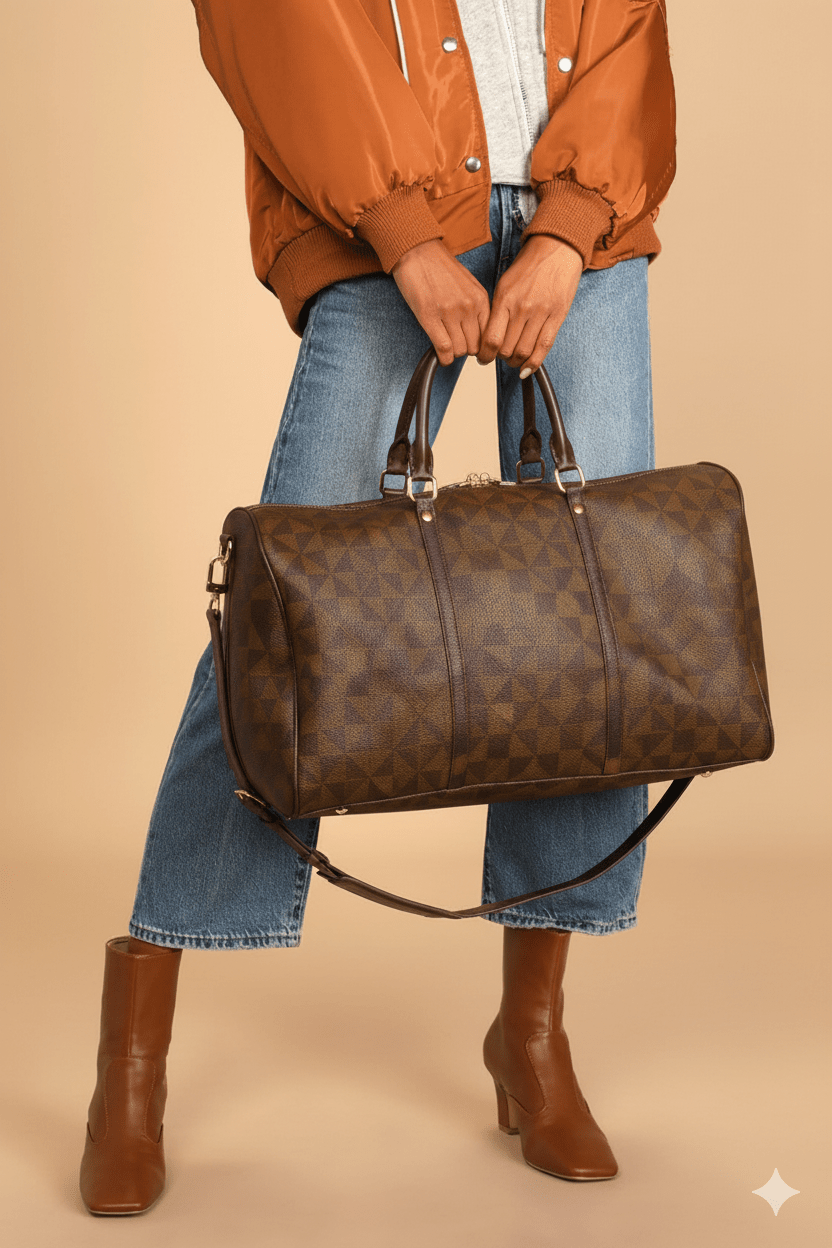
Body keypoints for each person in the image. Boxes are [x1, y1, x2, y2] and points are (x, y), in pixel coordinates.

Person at [79, 0, 676, 1215]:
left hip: (584, 231)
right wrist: (404, 236)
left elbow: (630, 22)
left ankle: (531, 1036)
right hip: (388, 214)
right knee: (285, 620)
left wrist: (571, 228)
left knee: (586, 629)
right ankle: (130, 1066)